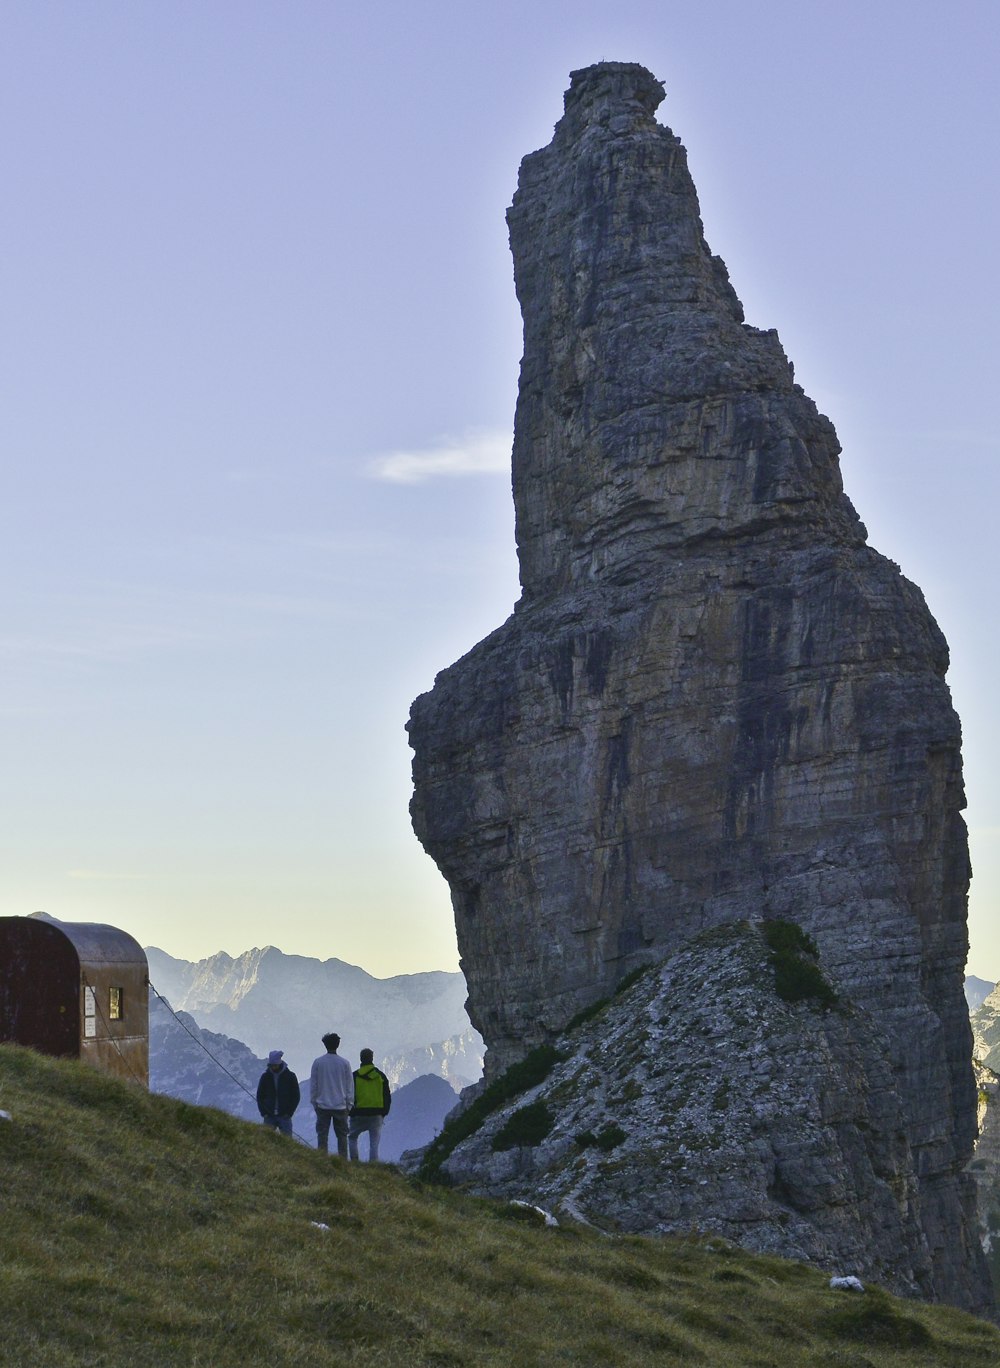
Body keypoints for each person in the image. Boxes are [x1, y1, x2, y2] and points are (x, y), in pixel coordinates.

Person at [310, 1031, 353, 1157]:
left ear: (325, 1045)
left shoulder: (318, 1062)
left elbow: (314, 1085)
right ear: (338, 1045)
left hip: (322, 1106)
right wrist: (349, 1105)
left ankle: (322, 1160)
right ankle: (343, 1162)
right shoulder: (344, 1063)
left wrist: (315, 1102)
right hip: (340, 1106)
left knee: (322, 1135)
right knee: (342, 1136)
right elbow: (349, 1086)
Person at [349, 1048, 392, 1162]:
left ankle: (354, 1162)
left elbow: (348, 1094)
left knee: (352, 1137)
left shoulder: (354, 1076)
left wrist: (350, 1111)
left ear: (360, 1059)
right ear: (372, 1058)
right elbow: (387, 1096)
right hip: (376, 1114)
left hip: (358, 1113)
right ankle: (373, 1164)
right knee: (374, 1143)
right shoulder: (380, 1076)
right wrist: (384, 1112)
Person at [256, 1049, 300, 1136]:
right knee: (266, 1141)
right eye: (272, 1065)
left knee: (287, 1142)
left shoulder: (290, 1076)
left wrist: (289, 1112)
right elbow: (259, 1095)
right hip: (269, 1115)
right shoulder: (265, 1077)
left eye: (275, 1065)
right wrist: (264, 1113)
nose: (273, 1067)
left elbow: (296, 1096)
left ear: (279, 1064)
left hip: (285, 1116)